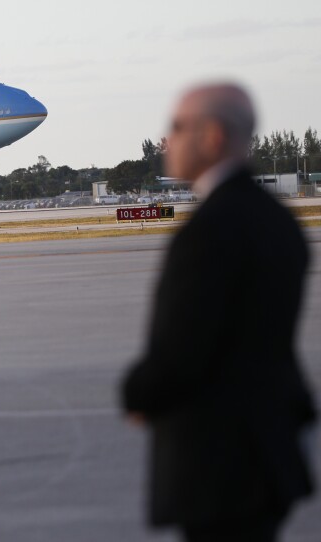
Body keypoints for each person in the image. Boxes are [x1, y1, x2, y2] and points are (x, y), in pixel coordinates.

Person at [121, 83, 316, 542]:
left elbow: (185, 349)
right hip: (271, 451)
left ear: (211, 137)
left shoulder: (210, 230)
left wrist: (138, 394)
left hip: (219, 461)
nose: (167, 141)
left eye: (177, 127)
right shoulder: (279, 219)